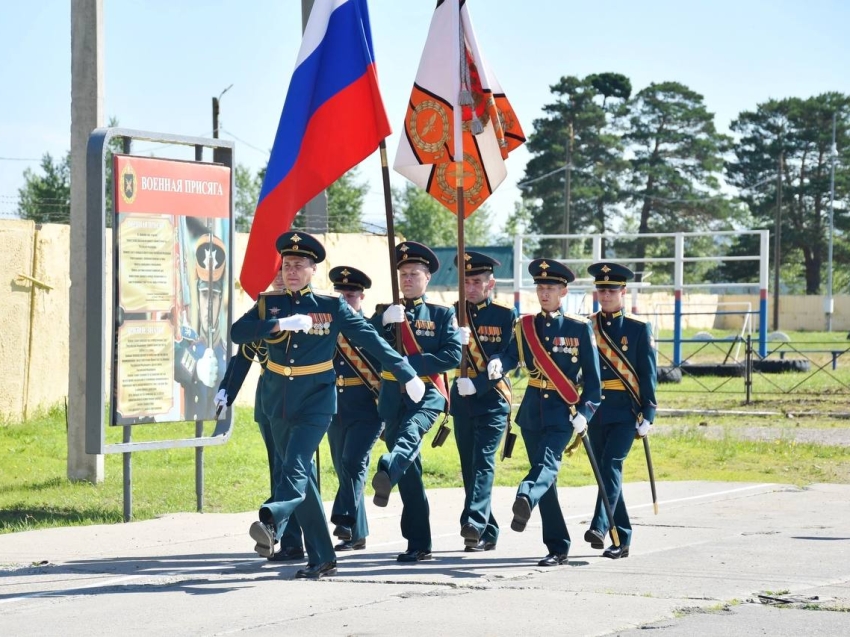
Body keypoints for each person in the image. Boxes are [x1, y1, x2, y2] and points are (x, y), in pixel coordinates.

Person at [231, 232, 424, 579]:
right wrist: (278, 324)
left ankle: (272, 518)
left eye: (299, 265)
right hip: (278, 400)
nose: (291, 271)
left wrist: (406, 371)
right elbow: (237, 332)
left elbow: (372, 340)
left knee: (295, 465)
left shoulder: (330, 306)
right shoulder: (268, 305)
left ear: (312, 270)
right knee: (300, 476)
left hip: (317, 400)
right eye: (287, 265)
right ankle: (322, 557)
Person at [488, 258, 601, 567]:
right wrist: (499, 362)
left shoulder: (578, 328)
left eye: (550, 288)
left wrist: (586, 412)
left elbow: (593, 381)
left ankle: (524, 496)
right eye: (540, 287)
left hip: (563, 411)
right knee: (545, 479)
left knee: (547, 465)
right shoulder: (525, 325)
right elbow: (511, 355)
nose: (544, 293)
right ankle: (558, 546)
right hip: (532, 411)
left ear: (563, 291)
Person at [369, 241, 462, 563]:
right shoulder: (385, 312)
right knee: (411, 476)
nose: (408, 279)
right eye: (403, 274)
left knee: (409, 435)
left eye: (414, 274)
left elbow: (452, 355)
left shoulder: (440, 313)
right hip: (394, 396)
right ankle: (419, 543)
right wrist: (380, 323)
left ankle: (388, 468)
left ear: (427, 278)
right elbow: (365, 345)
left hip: (428, 392)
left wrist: (411, 367)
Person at [214, 266, 305, 563]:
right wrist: (227, 390)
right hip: (268, 399)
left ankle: (274, 526)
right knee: (278, 470)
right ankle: (289, 542)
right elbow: (244, 353)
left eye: (288, 268)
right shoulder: (264, 312)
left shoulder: (311, 308)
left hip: (304, 400)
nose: (280, 276)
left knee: (294, 470)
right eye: (277, 270)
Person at [584, 262, 657, 560]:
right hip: (596, 410)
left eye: (611, 289)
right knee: (606, 472)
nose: (606, 294)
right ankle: (622, 538)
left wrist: (649, 413)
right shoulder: (587, 325)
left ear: (623, 291)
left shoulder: (638, 329)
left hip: (626, 412)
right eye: (601, 289)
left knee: (611, 466)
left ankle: (599, 527)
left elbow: (648, 372)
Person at [451, 251, 516, 552]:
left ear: (490, 284)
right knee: (468, 465)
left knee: (484, 462)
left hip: (492, 398)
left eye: (476, 281)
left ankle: (473, 522)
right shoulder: (452, 313)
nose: (471, 287)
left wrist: (497, 364)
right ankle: (488, 531)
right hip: (462, 400)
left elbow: (511, 353)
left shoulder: (505, 315)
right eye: (465, 282)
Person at [326, 265, 384, 552]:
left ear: (361, 297)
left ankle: (345, 522)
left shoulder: (372, 328)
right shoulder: (327, 330)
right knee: (343, 469)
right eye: (341, 295)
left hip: (367, 408)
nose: (345, 299)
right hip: (335, 407)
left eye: (351, 295)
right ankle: (357, 533)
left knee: (353, 462)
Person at [175, 234, 227, 420]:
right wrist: (196, 368)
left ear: (220, 300)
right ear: (197, 298)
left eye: (213, 296)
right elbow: (171, 355)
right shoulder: (188, 340)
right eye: (204, 296)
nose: (209, 305)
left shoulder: (225, 347)